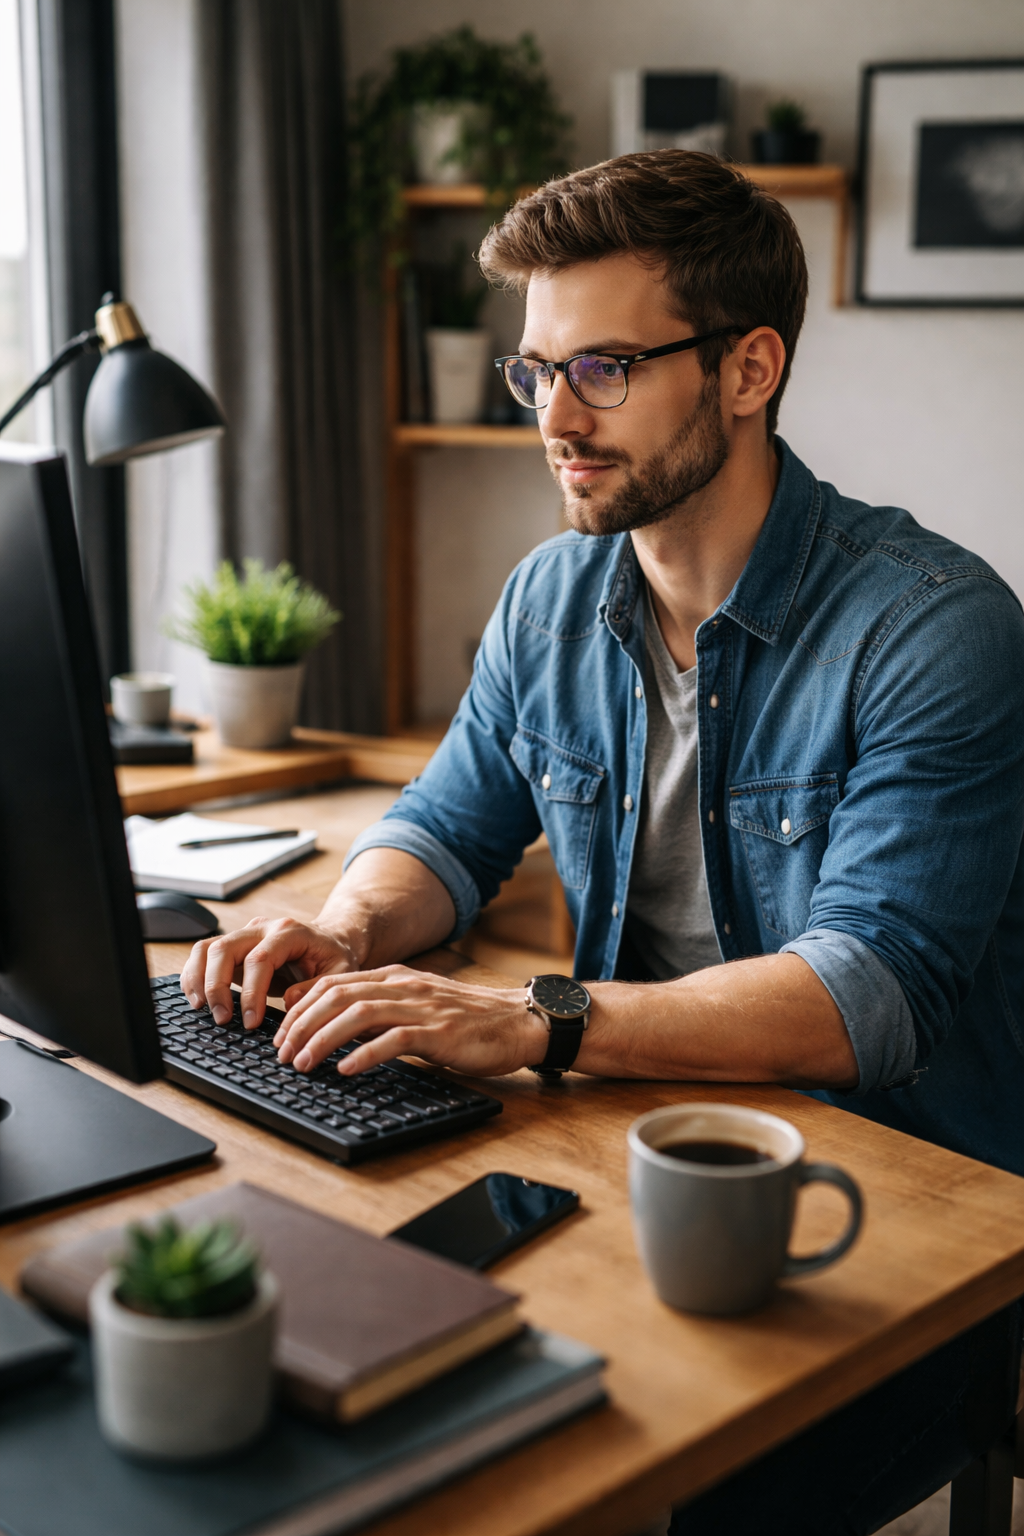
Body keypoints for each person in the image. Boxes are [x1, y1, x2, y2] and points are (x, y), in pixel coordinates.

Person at [182, 153, 1024, 1533]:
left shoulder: (936, 630)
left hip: (892, 1222)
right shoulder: (551, 597)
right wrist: (340, 934)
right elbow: (444, 830)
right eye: (536, 373)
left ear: (749, 371)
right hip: (631, 1153)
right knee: (356, 1396)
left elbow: (865, 998)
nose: (555, 420)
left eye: (607, 368)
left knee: (600, 1492)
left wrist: (529, 1021)